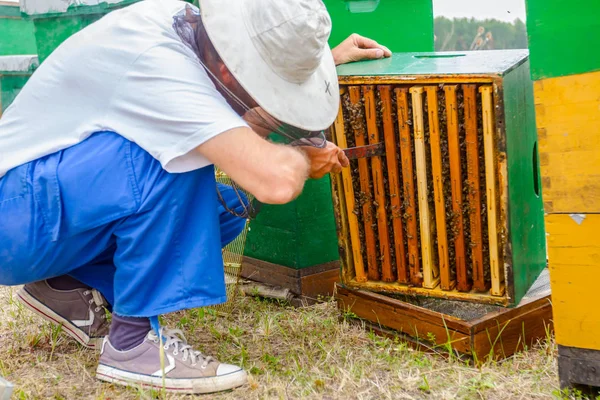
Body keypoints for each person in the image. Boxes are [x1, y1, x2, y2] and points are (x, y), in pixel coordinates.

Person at [0, 0, 390, 394]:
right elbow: (276, 181)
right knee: (175, 158)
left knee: (223, 208)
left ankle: (68, 283)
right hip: (14, 219)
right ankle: (132, 346)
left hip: (41, 214)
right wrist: (302, 157)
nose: (263, 95)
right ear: (228, 65)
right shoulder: (158, 62)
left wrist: (314, 65)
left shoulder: (186, 28)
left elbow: (225, 116)